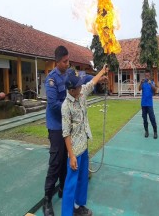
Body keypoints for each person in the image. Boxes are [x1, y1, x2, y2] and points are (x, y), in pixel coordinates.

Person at [42, 45, 97, 216]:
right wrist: (70, 111)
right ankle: (47, 199)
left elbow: (83, 76)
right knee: (56, 162)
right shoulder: (51, 79)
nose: (68, 64)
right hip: (57, 127)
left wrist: (96, 76)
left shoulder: (69, 74)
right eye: (65, 62)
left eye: (68, 61)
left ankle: (65, 190)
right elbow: (53, 105)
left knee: (70, 162)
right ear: (57, 62)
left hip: (71, 128)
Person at [61, 65, 108, 216]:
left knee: (83, 180)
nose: (82, 86)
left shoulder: (81, 94)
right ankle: (67, 213)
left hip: (84, 144)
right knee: (70, 184)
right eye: (79, 85)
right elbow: (65, 133)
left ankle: (78, 206)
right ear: (71, 89)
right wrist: (72, 156)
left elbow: (92, 82)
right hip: (74, 149)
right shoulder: (66, 106)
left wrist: (102, 71)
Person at [138, 69, 158, 139]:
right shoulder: (143, 83)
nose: (147, 77)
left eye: (148, 75)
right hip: (143, 104)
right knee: (144, 119)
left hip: (149, 104)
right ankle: (146, 131)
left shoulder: (152, 82)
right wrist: (141, 83)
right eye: (146, 75)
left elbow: (155, 89)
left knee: (152, 118)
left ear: (150, 76)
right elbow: (139, 89)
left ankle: (155, 132)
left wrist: (150, 84)